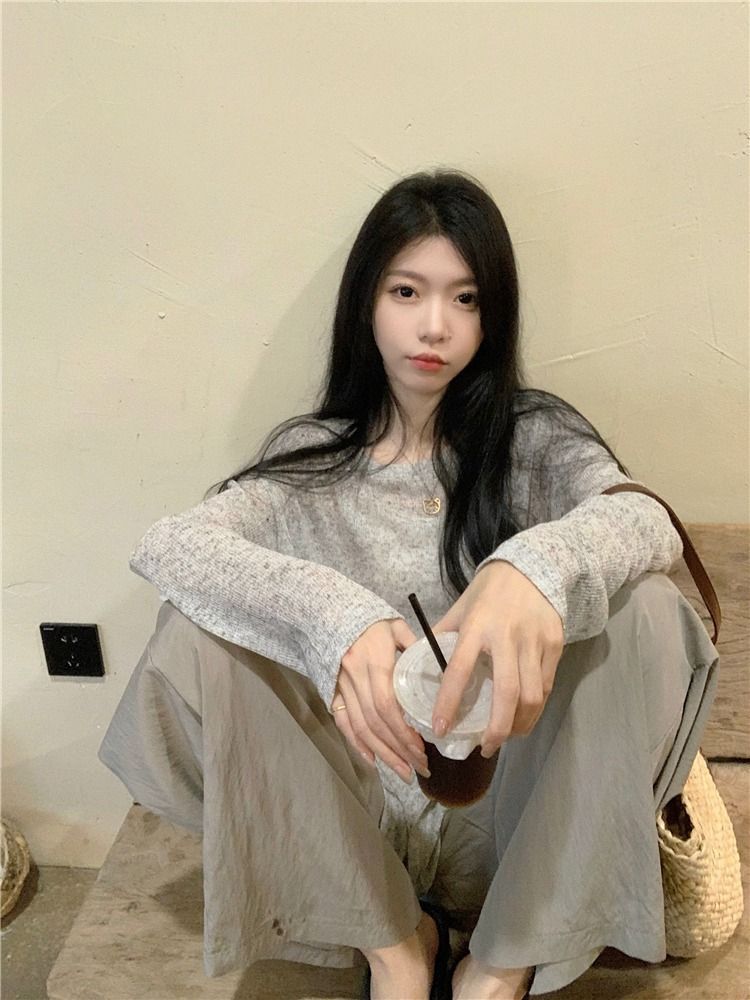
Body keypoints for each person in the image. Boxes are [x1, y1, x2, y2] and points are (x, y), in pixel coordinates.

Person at [99, 169, 719, 1000]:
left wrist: (532, 570)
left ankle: (501, 962)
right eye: (407, 291)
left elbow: (646, 523)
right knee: (192, 637)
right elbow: (172, 546)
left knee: (648, 609)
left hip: (514, 819)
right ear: (367, 302)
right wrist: (335, 620)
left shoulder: (535, 439)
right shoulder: (311, 458)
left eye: (466, 299)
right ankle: (398, 946)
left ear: (492, 317)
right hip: (354, 827)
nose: (435, 325)